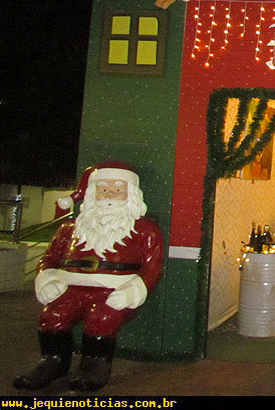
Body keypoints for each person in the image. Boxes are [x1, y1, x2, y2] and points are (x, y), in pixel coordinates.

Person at [13, 161, 163, 392]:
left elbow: (153, 267)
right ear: (93, 193)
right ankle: (53, 362)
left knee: (101, 317)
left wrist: (132, 290)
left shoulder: (145, 230)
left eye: (117, 190)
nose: (109, 195)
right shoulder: (70, 229)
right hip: (72, 288)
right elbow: (49, 259)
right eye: (103, 189)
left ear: (131, 194)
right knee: (52, 315)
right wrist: (47, 279)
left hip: (112, 291)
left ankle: (95, 365)